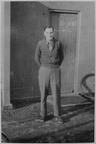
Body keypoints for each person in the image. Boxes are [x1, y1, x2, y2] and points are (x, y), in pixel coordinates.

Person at [35, 26, 64, 123]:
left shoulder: (58, 43)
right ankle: (43, 115)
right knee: (43, 93)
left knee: (56, 93)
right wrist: (43, 67)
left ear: (54, 32)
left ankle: (58, 115)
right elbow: (36, 57)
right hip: (44, 70)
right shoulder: (40, 43)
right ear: (44, 33)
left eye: (51, 32)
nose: (49, 34)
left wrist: (55, 66)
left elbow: (62, 57)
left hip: (55, 70)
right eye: (47, 33)